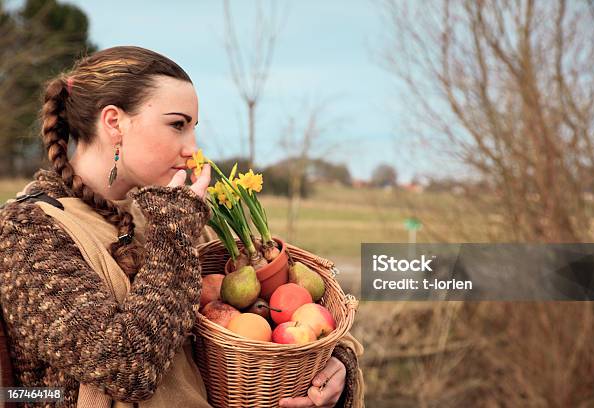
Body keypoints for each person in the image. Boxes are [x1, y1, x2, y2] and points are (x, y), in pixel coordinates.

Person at [0, 46, 363, 407]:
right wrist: (173, 232)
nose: (192, 148)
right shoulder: (27, 231)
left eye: (193, 128)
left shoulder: (170, 215)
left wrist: (334, 370)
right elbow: (127, 367)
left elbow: (269, 312)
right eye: (177, 125)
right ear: (114, 122)